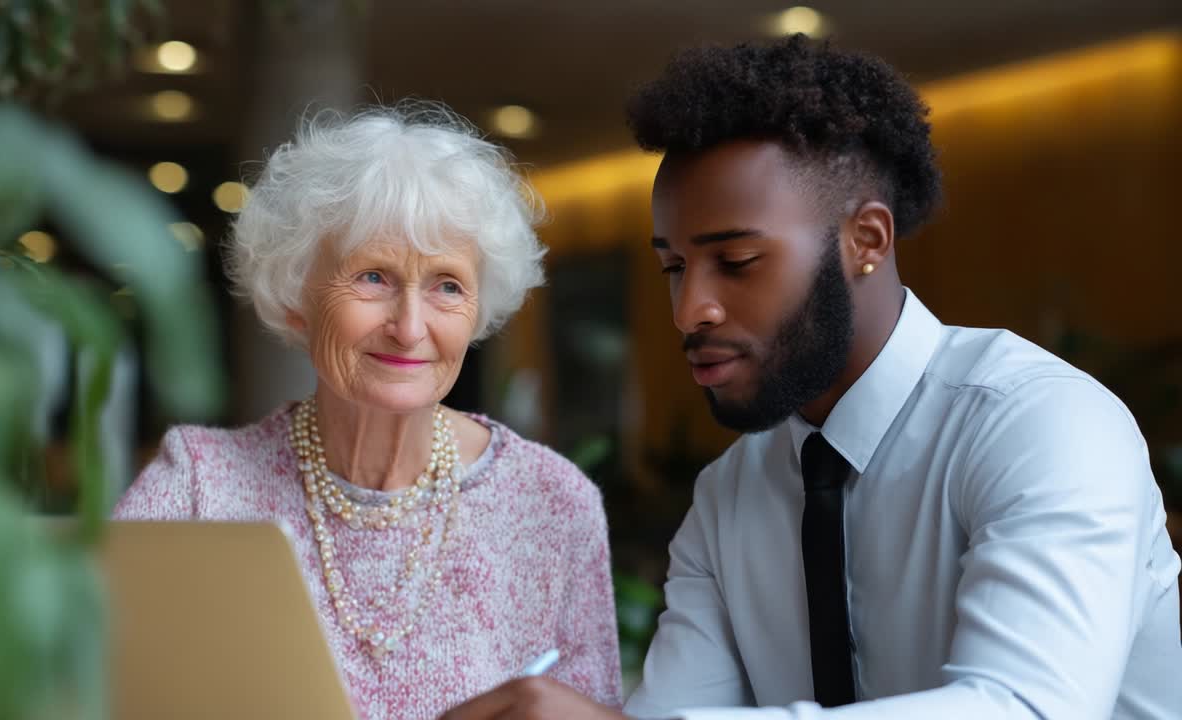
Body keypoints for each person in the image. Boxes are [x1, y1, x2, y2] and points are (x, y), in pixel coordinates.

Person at [440, 34, 1182, 720]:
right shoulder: (730, 497)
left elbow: (1024, 709)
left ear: (866, 239)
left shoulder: (1042, 426)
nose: (689, 309)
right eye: (674, 266)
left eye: (735, 262)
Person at [0, 103, 621, 720]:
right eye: (373, 278)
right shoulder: (203, 484)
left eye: (446, 287)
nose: (410, 327)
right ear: (296, 293)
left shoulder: (553, 505)